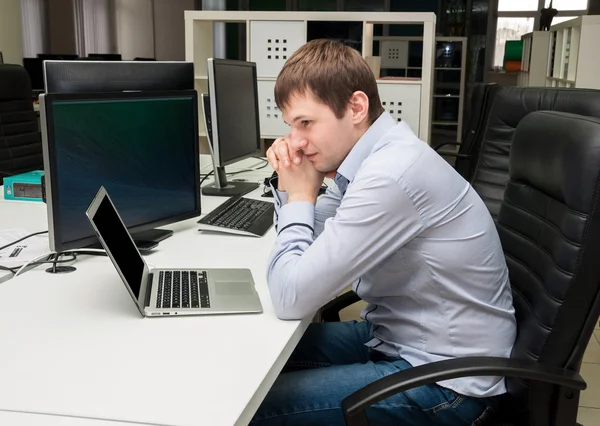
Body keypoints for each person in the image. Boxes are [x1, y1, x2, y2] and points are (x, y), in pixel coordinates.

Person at [250, 39, 516, 426]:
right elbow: (313, 227)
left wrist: (301, 193)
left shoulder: (391, 175)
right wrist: (295, 192)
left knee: (250, 407)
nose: (295, 142)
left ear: (356, 107)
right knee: (253, 358)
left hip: (447, 385)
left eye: (306, 123)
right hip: (399, 341)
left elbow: (292, 296)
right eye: (291, 126)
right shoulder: (377, 156)